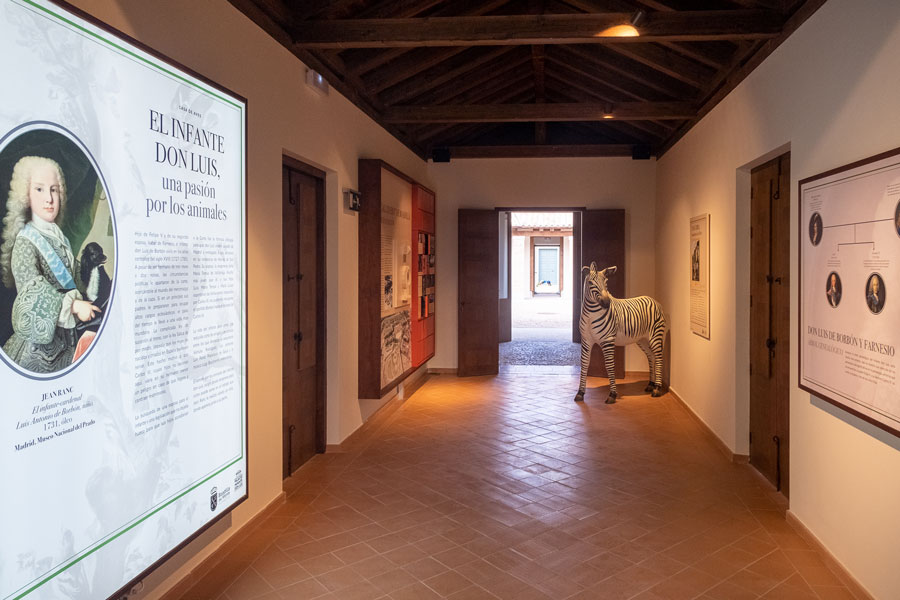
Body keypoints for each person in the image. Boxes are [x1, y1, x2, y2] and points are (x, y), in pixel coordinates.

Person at [1, 156, 99, 372]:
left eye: (54, 190)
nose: (49, 199)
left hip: (69, 336)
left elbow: (74, 283)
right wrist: (72, 306)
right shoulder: (26, 242)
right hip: (40, 347)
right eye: (39, 189)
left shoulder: (59, 238)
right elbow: (30, 293)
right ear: (25, 195)